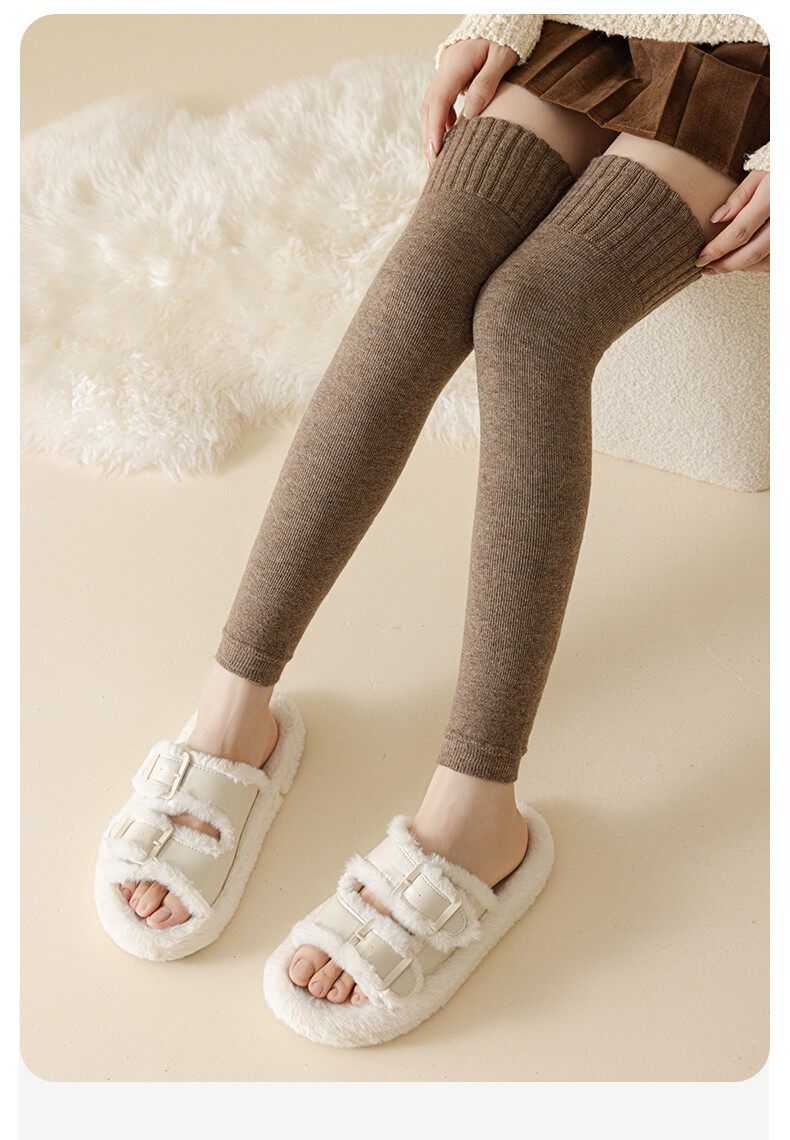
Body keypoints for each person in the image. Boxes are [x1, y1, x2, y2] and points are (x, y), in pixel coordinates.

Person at [98, 13, 769, 1019]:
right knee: (422, 277)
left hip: (750, 67)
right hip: (606, 24)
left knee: (532, 315)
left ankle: (476, 813)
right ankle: (231, 713)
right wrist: (501, 16)